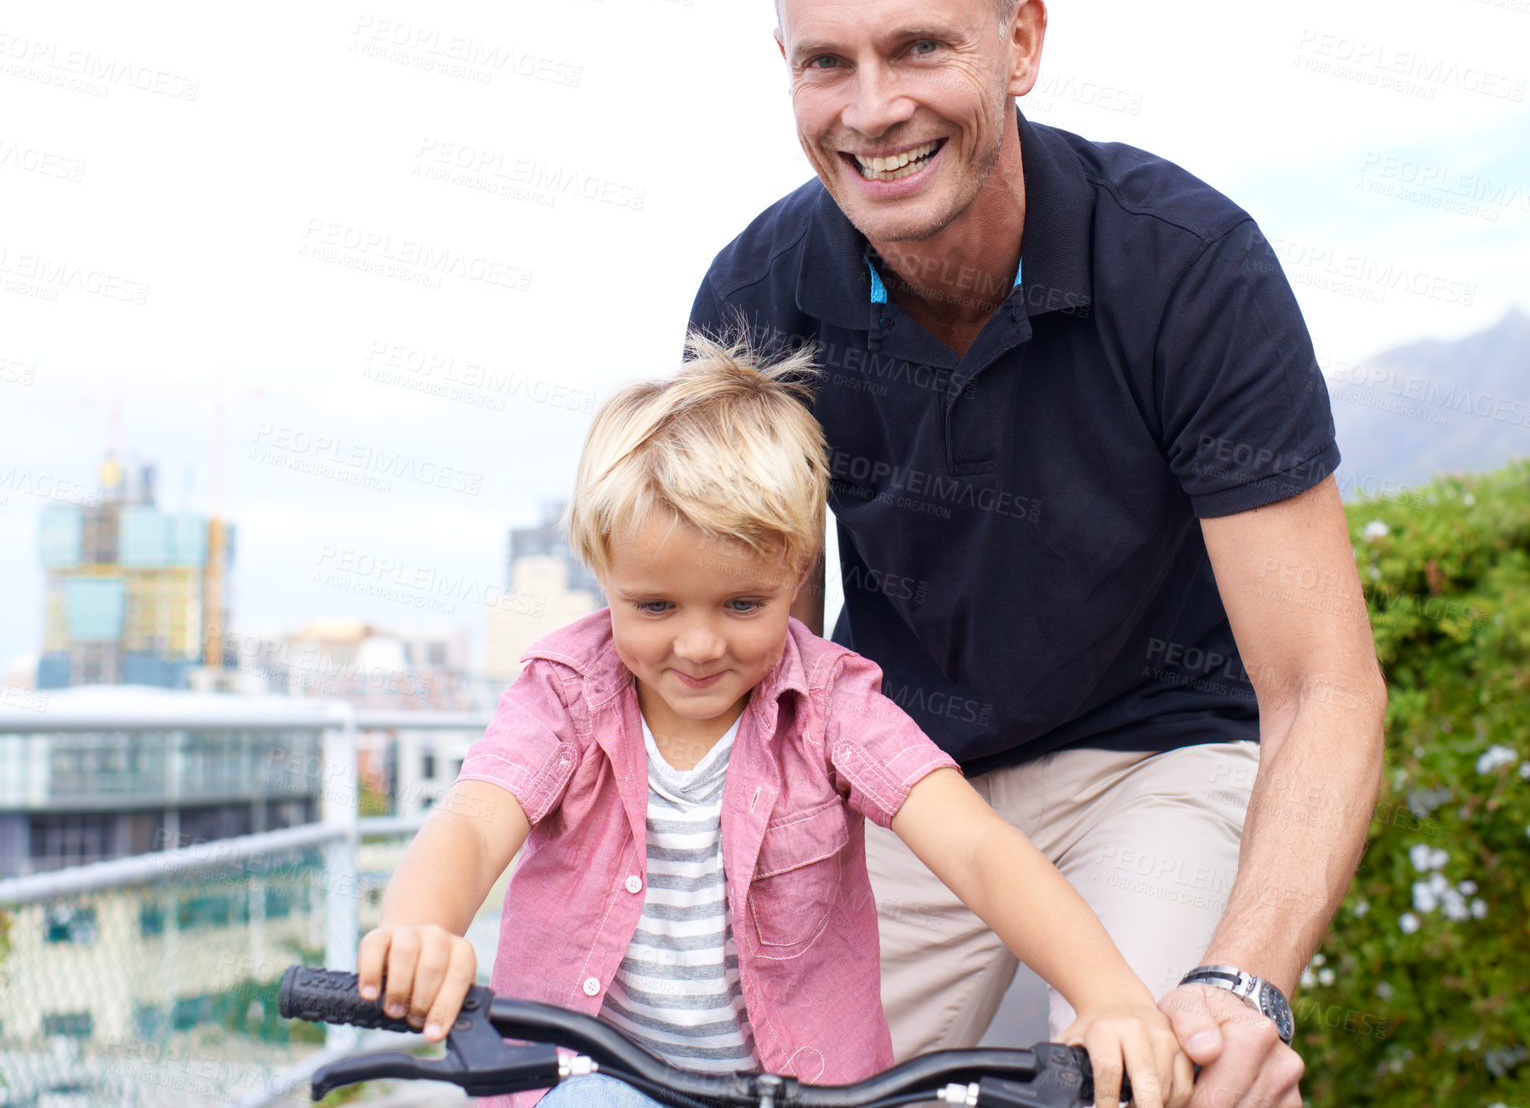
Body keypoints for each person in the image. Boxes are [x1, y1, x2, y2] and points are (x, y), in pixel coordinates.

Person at [686, 0, 1387, 1108]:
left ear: (1020, 43)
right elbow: (762, 676)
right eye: (826, 62)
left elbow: (1322, 686)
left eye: (918, 48)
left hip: (1159, 757)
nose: (872, 107)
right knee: (747, 1087)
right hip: (903, 777)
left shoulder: (1193, 268)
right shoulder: (754, 300)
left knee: (1156, 1082)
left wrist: (1247, 982)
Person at [355, 334, 1192, 1108]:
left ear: (796, 572)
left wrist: (1109, 994)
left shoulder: (831, 706)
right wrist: (420, 929)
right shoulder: (565, 696)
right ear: (600, 570)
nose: (697, 643)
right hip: (591, 1084)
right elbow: (471, 822)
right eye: (653, 604)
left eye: (743, 603)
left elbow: (975, 846)